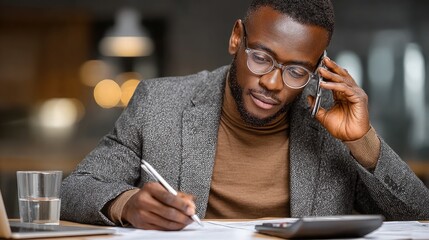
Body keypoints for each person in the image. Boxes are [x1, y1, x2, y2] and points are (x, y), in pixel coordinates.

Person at [61, 0, 429, 231]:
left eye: (296, 71)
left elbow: (419, 214)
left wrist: (360, 141)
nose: (272, 83)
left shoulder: (329, 125)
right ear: (237, 38)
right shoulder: (159, 103)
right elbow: (74, 189)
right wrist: (126, 204)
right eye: (262, 58)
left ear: (318, 69)